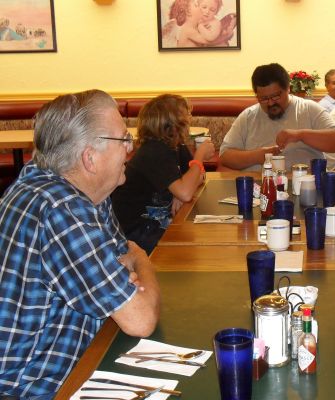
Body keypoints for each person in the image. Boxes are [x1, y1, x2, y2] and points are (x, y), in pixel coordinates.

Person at [0, 90, 160, 398]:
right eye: (124, 139)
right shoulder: (62, 209)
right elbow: (140, 319)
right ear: (90, 158)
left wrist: (127, 268)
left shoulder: (71, 188)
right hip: (29, 387)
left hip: (66, 366)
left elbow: (119, 258)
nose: (131, 148)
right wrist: (141, 257)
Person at [112, 94, 215, 255]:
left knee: (199, 242)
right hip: (135, 230)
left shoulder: (176, 146)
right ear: (172, 123)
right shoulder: (154, 150)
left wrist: (180, 190)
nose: (190, 118)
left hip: (157, 221)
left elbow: (199, 177)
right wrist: (199, 156)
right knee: (192, 248)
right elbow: (186, 191)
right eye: (186, 115)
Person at [219, 63, 335, 171]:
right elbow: (225, 156)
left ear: (288, 88)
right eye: (263, 98)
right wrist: (258, 156)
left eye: (275, 96)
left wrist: (300, 135)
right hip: (260, 186)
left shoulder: (308, 108)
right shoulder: (248, 116)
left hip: (305, 184)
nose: (270, 103)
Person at [161, 0, 236, 47]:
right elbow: (210, 42)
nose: (200, 8)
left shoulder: (195, 26)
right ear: (188, 11)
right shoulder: (188, 29)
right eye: (196, 5)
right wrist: (226, 36)